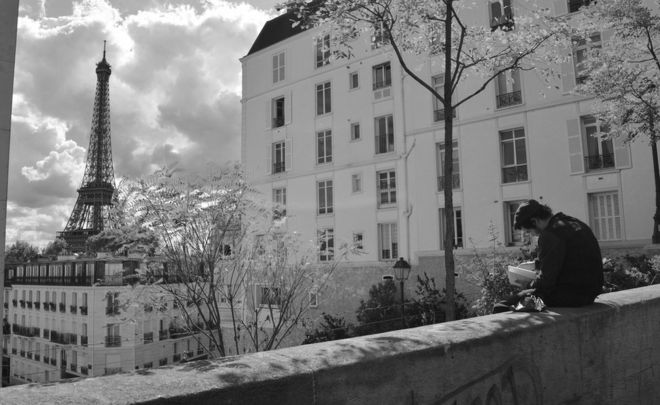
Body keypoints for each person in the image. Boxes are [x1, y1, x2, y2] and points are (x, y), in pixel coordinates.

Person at [493, 199, 604, 313]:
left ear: (534, 221)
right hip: (590, 293)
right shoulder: (575, 223)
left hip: (568, 297)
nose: (532, 234)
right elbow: (568, 258)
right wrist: (535, 264)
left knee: (502, 307)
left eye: (528, 231)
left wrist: (526, 284)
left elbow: (546, 283)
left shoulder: (550, 234)